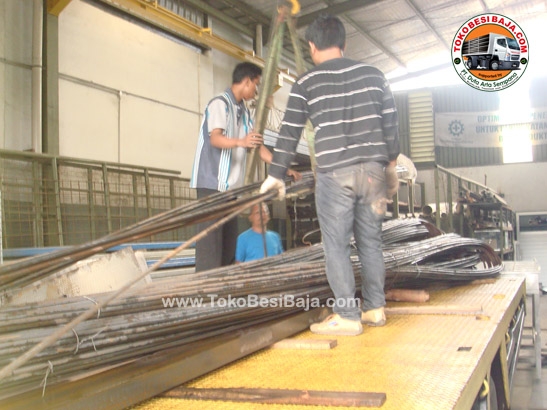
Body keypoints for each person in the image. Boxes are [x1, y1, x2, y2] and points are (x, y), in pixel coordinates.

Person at [260, 15, 400, 336]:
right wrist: (390, 164)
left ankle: (348, 315)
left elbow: (289, 132)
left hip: (334, 173)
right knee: (370, 241)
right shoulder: (375, 76)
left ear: (311, 46)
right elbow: (390, 123)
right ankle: (375, 309)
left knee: (336, 245)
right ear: (343, 43)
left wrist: (276, 175)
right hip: (373, 172)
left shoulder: (306, 83)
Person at [190, 62, 298, 272]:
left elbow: (257, 147)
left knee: (228, 246)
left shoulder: (244, 112)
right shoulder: (219, 104)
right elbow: (215, 138)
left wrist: (283, 168)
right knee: (210, 247)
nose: (256, 91)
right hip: (212, 186)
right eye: (256, 85)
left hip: (230, 191)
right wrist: (241, 142)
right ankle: (205, 287)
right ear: (247, 81)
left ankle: (225, 286)